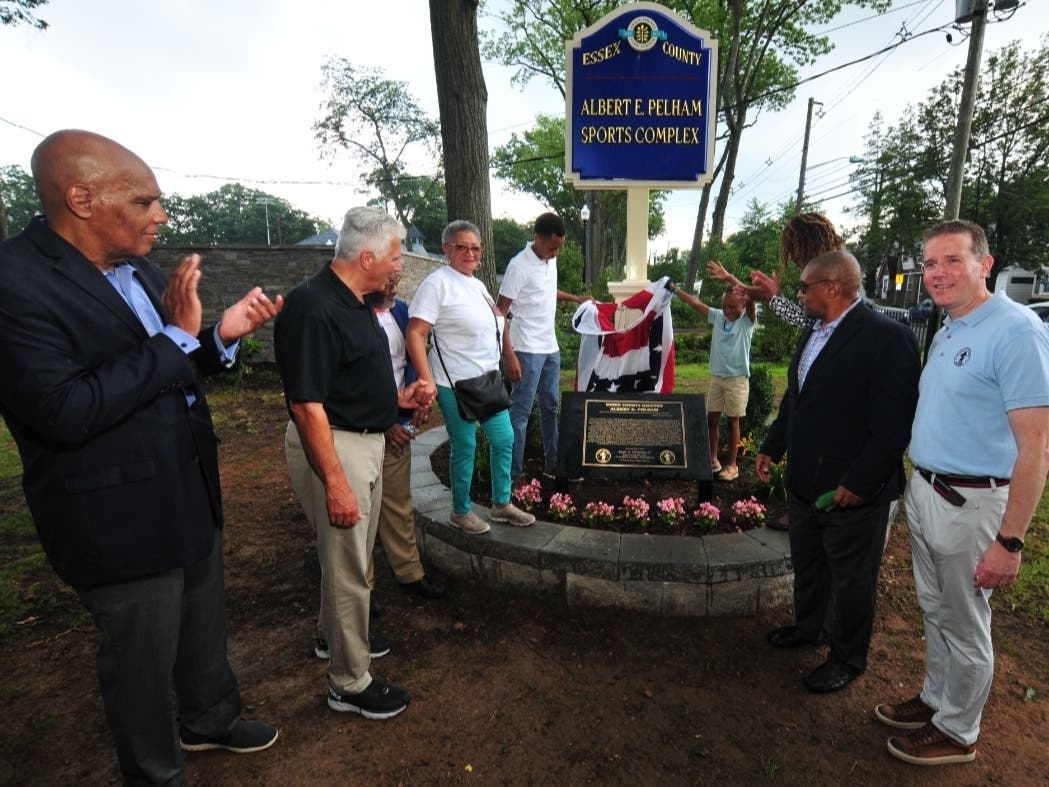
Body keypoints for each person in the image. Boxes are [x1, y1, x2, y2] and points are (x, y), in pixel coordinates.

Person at [0, 129, 282, 784]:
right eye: (145, 200)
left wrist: (215, 337)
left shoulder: (143, 270)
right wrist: (179, 336)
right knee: (140, 661)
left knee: (203, 624)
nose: (162, 215)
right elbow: (64, 410)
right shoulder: (14, 283)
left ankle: (210, 716)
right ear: (82, 197)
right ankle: (155, 772)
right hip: (116, 513)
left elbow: (170, 366)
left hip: (188, 486)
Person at [876, 220, 1049, 766]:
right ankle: (936, 700)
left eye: (952, 260)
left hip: (971, 505)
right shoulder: (952, 326)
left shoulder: (1015, 330)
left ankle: (958, 731)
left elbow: (1037, 446)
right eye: (929, 263)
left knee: (966, 621)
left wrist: (1010, 542)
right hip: (928, 493)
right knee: (935, 608)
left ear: (985, 263)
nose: (937, 273)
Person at [276, 206, 435, 720]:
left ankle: (333, 637)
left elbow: (347, 384)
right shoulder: (312, 306)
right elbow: (307, 405)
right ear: (366, 256)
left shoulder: (356, 303)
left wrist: (399, 401)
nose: (398, 266)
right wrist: (337, 483)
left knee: (348, 561)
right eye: (394, 256)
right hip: (335, 447)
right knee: (349, 568)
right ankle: (349, 681)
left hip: (361, 438)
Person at [756, 250, 919, 694]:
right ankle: (810, 629)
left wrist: (860, 483)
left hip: (853, 489)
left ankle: (847, 658)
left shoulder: (887, 337)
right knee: (810, 565)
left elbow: (892, 425)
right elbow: (797, 397)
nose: (799, 295)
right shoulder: (814, 329)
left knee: (851, 580)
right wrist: (773, 445)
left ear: (833, 287)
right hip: (807, 481)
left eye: (804, 287)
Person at [406, 220, 536, 534]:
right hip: (454, 383)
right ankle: (460, 511)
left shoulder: (477, 284)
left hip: (487, 380)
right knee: (464, 445)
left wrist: (508, 354)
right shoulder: (437, 283)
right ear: (447, 249)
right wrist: (425, 380)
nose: (470, 253)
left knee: (504, 439)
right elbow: (415, 333)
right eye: (462, 247)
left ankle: (502, 504)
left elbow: (498, 321)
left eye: (475, 248)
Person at [496, 212, 592, 482]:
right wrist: (509, 353)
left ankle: (553, 464)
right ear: (537, 238)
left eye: (559, 247)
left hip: (550, 348)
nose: (556, 253)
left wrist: (575, 298)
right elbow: (500, 312)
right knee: (521, 412)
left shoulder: (550, 259)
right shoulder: (519, 266)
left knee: (551, 407)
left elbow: (547, 292)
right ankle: (513, 476)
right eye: (552, 247)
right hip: (526, 349)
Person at [369, 272, 446, 600]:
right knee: (360, 516)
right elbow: (355, 380)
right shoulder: (350, 318)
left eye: (397, 280)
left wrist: (418, 406)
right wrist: (386, 420)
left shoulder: (401, 311)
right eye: (387, 281)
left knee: (398, 502)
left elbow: (413, 362)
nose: (394, 288)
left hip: (399, 423)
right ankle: (362, 592)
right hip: (363, 427)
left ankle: (409, 573)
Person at [667, 262, 756, 481]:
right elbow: (697, 304)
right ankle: (713, 460)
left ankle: (732, 466)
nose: (728, 311)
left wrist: (728, 277)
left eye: (733, 307)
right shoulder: (718, 317)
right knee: (712, 419)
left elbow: (748, 293)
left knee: (733, 421)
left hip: (736, 380)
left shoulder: (747, 322)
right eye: (725, 306)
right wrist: (676, 290)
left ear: (744, 305)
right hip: (717, 378)